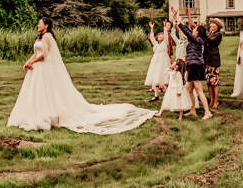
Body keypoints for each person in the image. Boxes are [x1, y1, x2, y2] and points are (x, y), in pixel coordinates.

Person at [8, 17, 157, 134]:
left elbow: (45, 55)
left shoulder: (47, 37)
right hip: (36, 68)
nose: (38, 25)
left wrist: (33, 62)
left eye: (40, 23)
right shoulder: (39, 37)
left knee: (47, 92)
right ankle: (35, 114)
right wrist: (28, 62)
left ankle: (49, 116)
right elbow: (36, 52)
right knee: (36, 93)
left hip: (44, 67)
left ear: (46, 25)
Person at [172, 6, 213, 119]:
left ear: (198, 33)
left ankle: (207, 113)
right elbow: (186, 30)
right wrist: (176, 17)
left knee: (199, 91)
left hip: (196, 66)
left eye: (195, 28)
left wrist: (179, 22)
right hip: (191, 66)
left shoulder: (199, 40)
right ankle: (193, 110)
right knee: (189, 89)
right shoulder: (193, 38)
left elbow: (187, 32)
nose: (193, 29)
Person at [144, 20, 177, 101]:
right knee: (155, 77)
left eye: (161, 35)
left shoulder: (165, 43)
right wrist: (151, 29)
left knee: (164, 77)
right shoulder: (155, 44)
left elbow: (166, 35)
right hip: (155, 61)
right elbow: (152, 38)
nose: (160, 36)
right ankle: (156, 95)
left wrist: (165, 27)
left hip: (163, 61)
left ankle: (167, 95)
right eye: (159, 35)